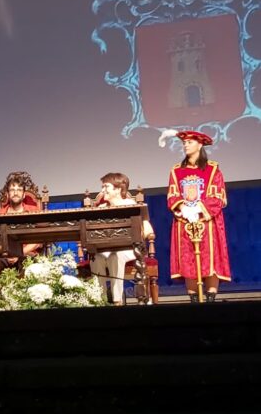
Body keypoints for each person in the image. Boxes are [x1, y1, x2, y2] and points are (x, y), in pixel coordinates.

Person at [162, 130, 231, 302]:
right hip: (184, 221)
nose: (185, 145)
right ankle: (193, 300)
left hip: (207, 221)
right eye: (184, 143)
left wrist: (199, 209)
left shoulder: (213, 170)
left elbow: (218, 196)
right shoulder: (176, 171)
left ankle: (211, 299)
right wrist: (184, 208)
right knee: (188, 258)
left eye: (189, 142)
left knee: (210, 257)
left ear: (200, 145)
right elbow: (172, 195)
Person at [89, 172, 155, 305]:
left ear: (118, 189)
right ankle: (99, 300)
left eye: (106, 186)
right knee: (97, 258)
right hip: (107, 249)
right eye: (102, 187)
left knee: (115, 256)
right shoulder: (101, 208)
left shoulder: (131, 205)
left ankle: (117, 301)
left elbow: (148, 230)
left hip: (130, 249)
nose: (102, 190)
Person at [0, 171, 44, 281]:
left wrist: (19, 254)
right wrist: (7, 254)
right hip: (4, 255)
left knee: (29, 264)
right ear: (8, 194)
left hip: (27, 254)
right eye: (12, 190)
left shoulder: (34, 212)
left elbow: (39, 239)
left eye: (19, 190)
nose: (15, 193)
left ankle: (24, 292)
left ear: (24, 194)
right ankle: (1, 292)